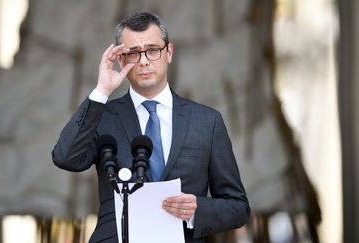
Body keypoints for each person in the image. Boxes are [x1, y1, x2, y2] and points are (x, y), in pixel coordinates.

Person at [52, 11, 250, 243]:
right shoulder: (103, 115)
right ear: (121, 59)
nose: (144, 60)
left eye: (153, 50)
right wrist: (102, 91)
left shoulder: (207, 121)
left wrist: (198, 209)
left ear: (169, 52)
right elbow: (65, 157)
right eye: (133, 53)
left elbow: (238, 207)